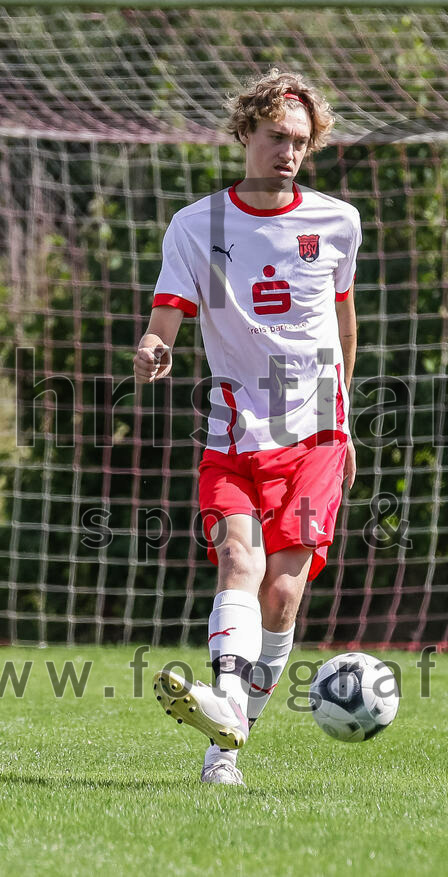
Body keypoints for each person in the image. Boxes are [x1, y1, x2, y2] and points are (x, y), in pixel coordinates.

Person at [133, 69, 359, 786]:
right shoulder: (197, 226)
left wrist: (347, 413)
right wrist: (154, 342)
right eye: (275, 138)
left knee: (284, 596)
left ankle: (224, 737)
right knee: (239, 562)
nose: (287, 152)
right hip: (234, 429)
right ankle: (226, 724)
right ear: (245, 135)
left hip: (318, 431)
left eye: (299, 141)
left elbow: (342, 316)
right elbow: (166, 312)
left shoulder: (337, 222)